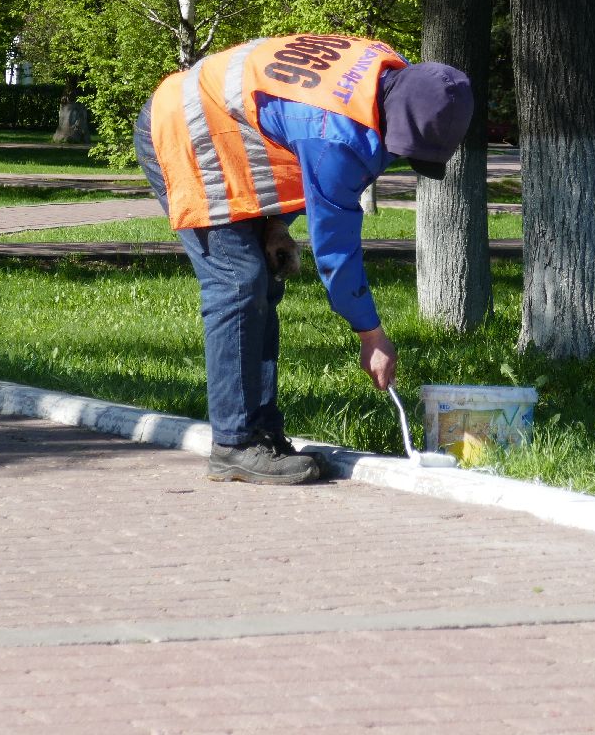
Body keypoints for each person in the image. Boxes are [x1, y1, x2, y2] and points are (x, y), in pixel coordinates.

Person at [135, 33, 474, 485]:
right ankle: (233, 445)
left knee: (264, 279)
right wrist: (370, 335)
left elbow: (282, 127)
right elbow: (336, 248)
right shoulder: (338, 132)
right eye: (402, 148)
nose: (396, 157)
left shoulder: (390, 72)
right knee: (239, 281)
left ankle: (261, 431)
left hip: (232, 135)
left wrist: (275, 224)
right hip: (182, 129)